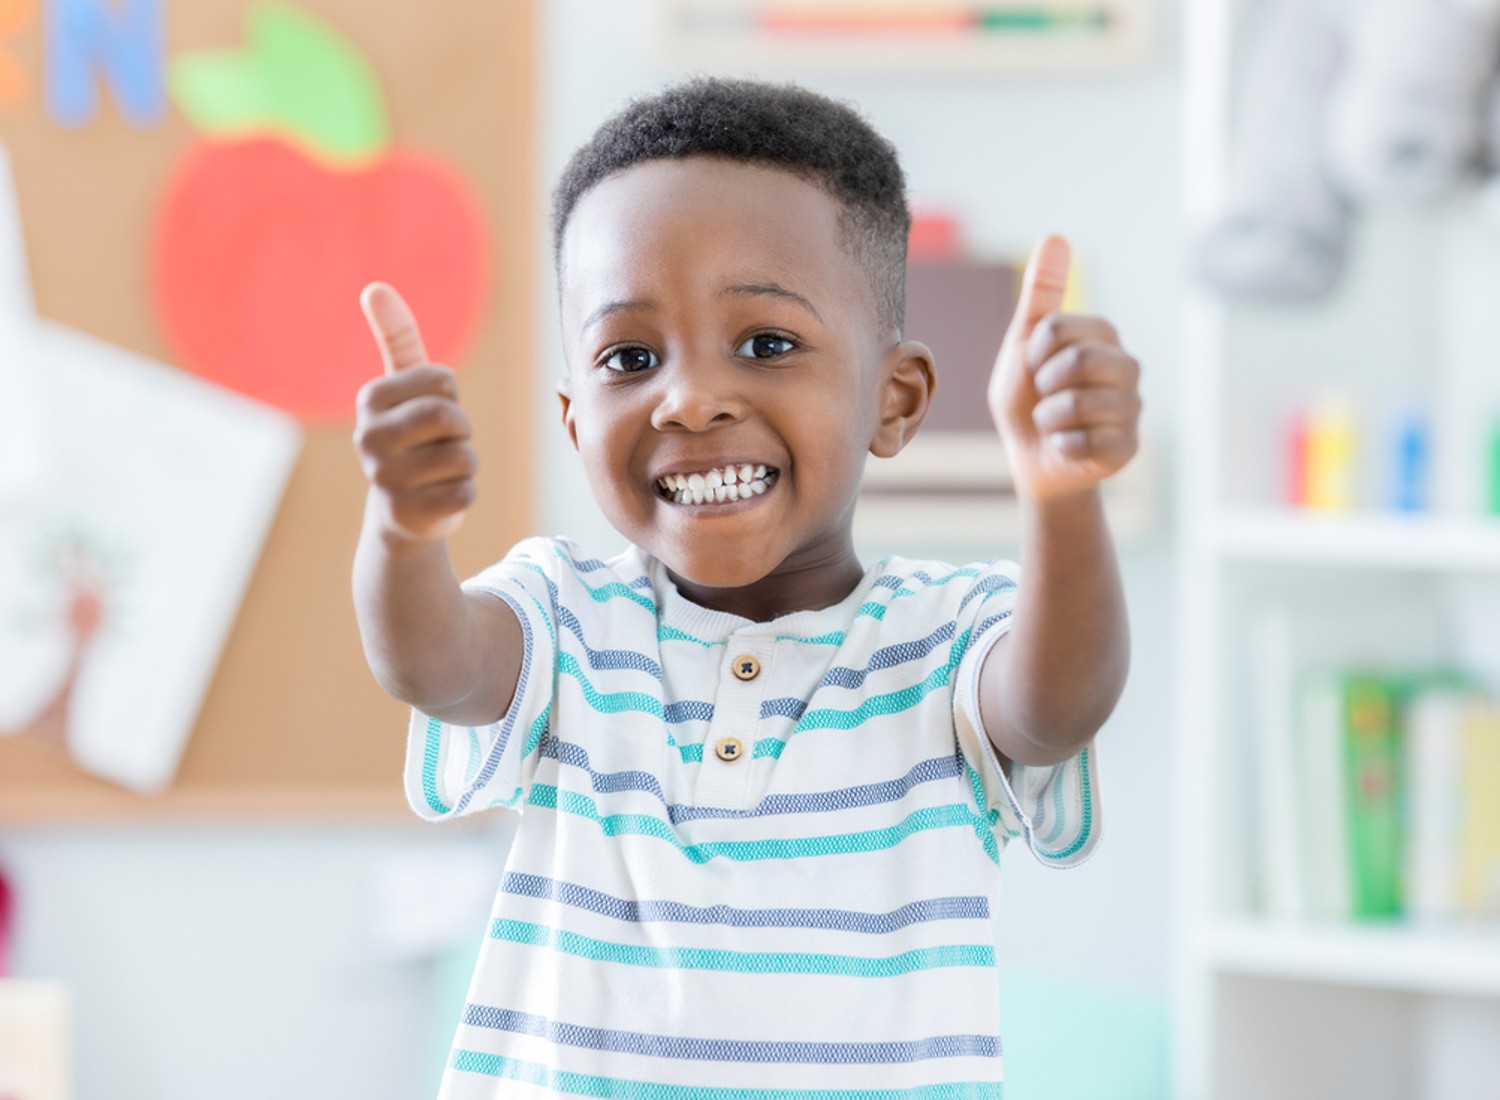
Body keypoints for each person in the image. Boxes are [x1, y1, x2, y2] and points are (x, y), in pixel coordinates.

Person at [352, 77, 1140, 1098]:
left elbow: (1057, 701)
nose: (689, 397)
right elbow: (434, 663)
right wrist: (403, 531)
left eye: (767, 343)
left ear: (892, 400)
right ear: (576, 419)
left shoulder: (952, 635)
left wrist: (1062, 496)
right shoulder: (564, 613)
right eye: (629, 355)